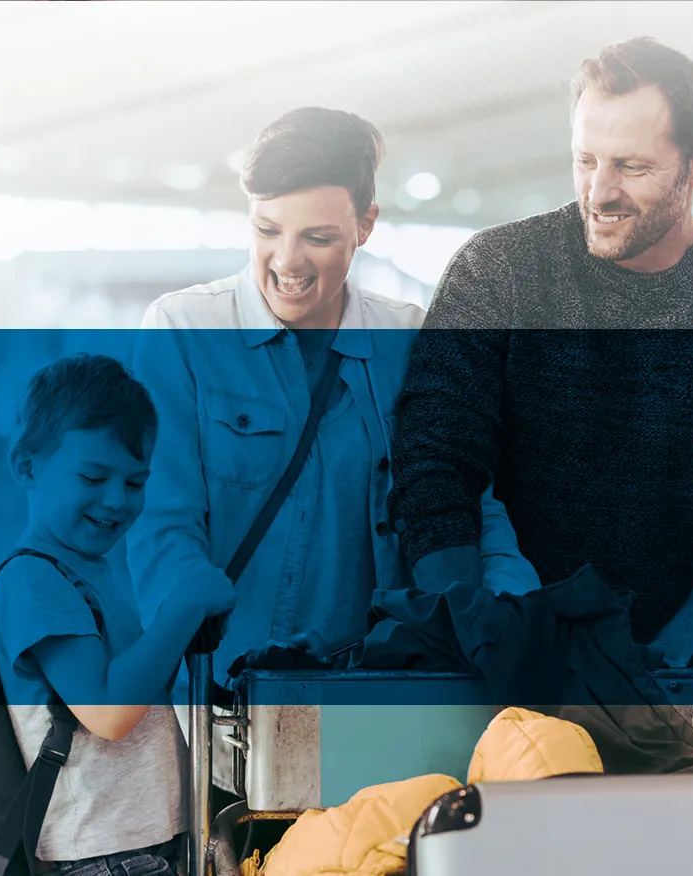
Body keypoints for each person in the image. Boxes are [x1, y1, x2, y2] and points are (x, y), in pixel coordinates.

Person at [387, 37, 693, 796]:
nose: (601, 190)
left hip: (684, 676)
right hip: (509, 674)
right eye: (586, 160)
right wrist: (471, 628)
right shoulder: (499, 272)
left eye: (633, 166)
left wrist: (680, 651)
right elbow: (433, 462)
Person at [129, 107, 538, 685]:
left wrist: (514, 611)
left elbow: (473, 503)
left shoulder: (412, 341)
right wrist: (189, 628)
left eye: (317, 238)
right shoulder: (183, 331)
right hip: (231, 693)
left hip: (384, 687)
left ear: (365, 225)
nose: (287, 262)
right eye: (267, 230)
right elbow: (162, 523)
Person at [0, 353, 235, 874]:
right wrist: (184, 605)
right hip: (101, 857)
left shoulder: (89, 569)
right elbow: (107, 712)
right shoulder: (34, 580)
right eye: (93, 476)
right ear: (28, 466)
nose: (116, 500)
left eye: (134, 482)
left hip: (136, 846)